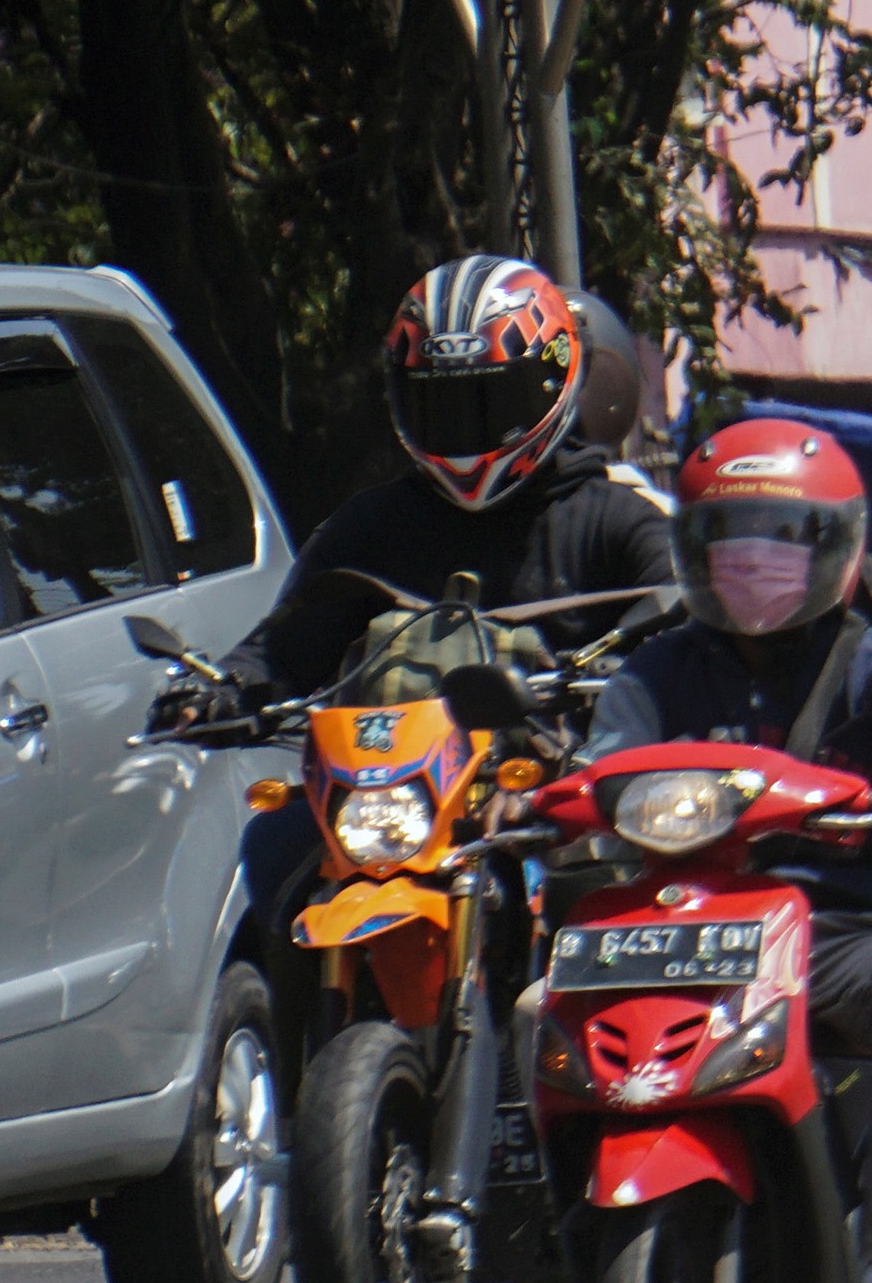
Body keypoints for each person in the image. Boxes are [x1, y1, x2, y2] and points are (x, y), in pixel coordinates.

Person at [580, 418, 872, 1283]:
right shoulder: (655, 669)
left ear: (834, 545)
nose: (753, 559)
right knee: (533, 1013)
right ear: (694, 548)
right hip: (686, 933)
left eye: (781, 536)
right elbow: (599, 767)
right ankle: (576, 1263)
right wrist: (537, 797)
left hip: (840, 929)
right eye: (730, 536)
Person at [172, 256, 681, 929]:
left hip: (548, 793)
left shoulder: (618, 519)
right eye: (441, 404)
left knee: (610, 896)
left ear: (551, 384)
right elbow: (287, 642)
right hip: (388, 802)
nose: (465, 428)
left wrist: (619, 684)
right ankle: (283, 998)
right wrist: (220, 690)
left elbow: (680, 632)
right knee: (278, 845)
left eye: (490, 400)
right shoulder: (375, 524)